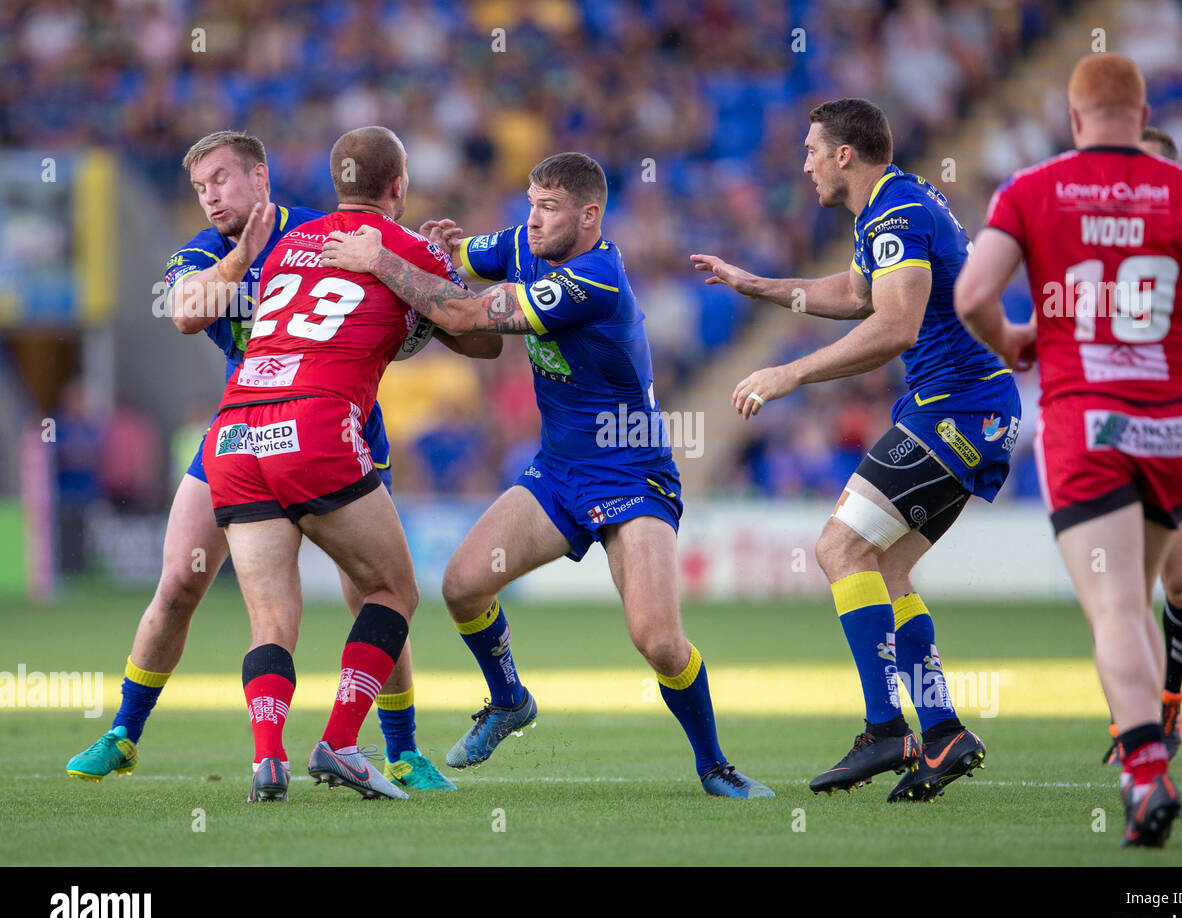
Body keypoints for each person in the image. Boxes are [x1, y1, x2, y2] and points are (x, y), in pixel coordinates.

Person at [320, 151, 773, 798]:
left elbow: (468, 315)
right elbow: (458, 260)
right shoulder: (523, 243)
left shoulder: (596, 279)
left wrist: (382, 261)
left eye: (549, 208)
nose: (531, 221)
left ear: (589, 216)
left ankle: (714, 765)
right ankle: (510, 701)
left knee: (657, 639)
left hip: (632, 474)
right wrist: (438, 249)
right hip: (559, 472)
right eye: (530, 204)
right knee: (462, 587)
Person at [66, 130, 457, 793]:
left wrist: (416, 268)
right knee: (181, 580)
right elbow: (186, 310)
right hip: (245, 424)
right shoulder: (206, 250)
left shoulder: (324, 231)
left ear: (260, 178)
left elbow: (401, 324)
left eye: (220, 180)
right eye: (198, 188)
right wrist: (233, 263)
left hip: (341, 422)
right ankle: (124, 733)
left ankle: (401, 749)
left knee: (370, 590)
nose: (210, 197)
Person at [955, 54, 1182, 847]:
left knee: (1113, 609)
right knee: (1137, 602)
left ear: (1073, 119)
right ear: (1141, 116)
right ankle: (1152, 744)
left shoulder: (1031, 189)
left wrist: (1016, 338)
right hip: (1172, 427)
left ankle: (1144, 771)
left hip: (1086, 422)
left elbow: (970, 297)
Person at [690, 98, 1019, 802]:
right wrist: (759, 286)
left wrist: (791, 373)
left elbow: (896, 324)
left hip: (954, 409)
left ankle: (883, 729)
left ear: (845, 154)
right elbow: (855, 292)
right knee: (887, 572)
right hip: (973, 410)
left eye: (812, 150)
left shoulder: (897, 214)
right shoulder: (893, 210)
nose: (804, 163)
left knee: (839, 551)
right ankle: (942, 732)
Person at [204, 125, 501, 802]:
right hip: (312, 425)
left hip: (235, 430)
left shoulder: (284, 246)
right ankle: (339, 741)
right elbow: (478, 334)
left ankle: (267, 759)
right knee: (392, 591)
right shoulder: (399, 246)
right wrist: (413, 267)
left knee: (271, 619)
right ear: (397, 187)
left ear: (338, 187)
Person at [1100, 126, 1182, 766]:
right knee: (1121, 583)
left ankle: (1169, 696)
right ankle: (1135, 723)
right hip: (1107, 419)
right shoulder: (1098, 243)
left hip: (1177, 419)